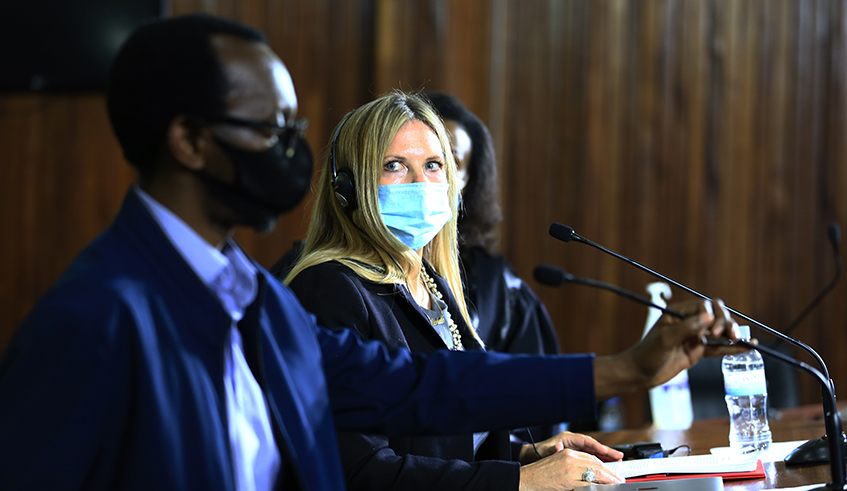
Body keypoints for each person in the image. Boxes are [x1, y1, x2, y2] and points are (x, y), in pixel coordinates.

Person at [0, 14, 742, 491]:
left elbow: (418, 386)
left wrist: (627, 367)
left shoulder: (254, 297)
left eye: (295, 127)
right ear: (189, 140)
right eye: (269, 128)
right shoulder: (96, 314)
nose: (292, 150)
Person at [282, 91, 743, 491]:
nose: (422, 185)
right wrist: (518, 482)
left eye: (434, 166)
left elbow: (439, 432)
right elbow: (358, 472)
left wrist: (524, 454)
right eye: (395, 166)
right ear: (347, 189)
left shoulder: (433, 282)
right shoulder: (329, 288)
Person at [425, 91, 559, 357]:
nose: (429, 175)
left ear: (468, 183)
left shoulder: (498, 288)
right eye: (398, 163)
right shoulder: (345, 275)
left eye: (450, 161)